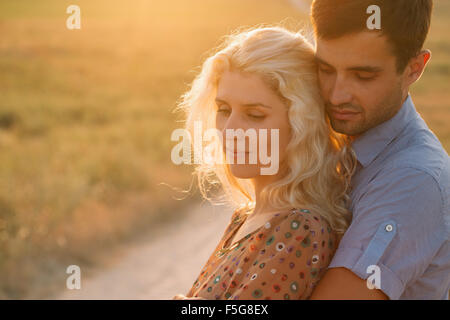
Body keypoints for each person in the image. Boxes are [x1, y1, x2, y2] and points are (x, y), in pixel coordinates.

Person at [172, 26, 357, 300]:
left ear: (300, 125)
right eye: (224, 110)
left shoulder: (300, 228)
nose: (230, 130)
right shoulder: (246, 216)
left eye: (255, 115)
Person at [308, 0, 450, 300]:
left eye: (363, 76)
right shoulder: (329, 141)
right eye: (325, 69)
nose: (336, 94)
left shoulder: (415, 179)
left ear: (414, 69)